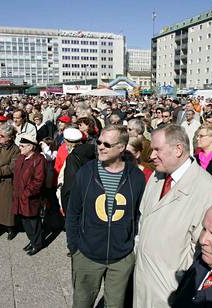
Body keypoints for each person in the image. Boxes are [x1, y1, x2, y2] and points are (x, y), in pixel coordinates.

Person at [133, 124, 212, 308]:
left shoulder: (208, 192)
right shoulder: (157, 176)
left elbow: (206, 254)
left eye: (157, 150)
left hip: (171, 292)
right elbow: (143, 221)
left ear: (178, 150)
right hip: (142, 282)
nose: (151, 156)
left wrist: (179, 282)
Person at [66, 124, 146, 308]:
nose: (100, 147)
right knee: (81, 303)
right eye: (99, 142)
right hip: (86, 255)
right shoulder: (86, 172)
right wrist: (74, 247)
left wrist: (130, 249)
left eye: (107, 144)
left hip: (121, 258)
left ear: (121, 148)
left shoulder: (136, 176)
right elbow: (73, 212)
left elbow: (138, 214)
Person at [11, 134, 46, 256]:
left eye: (22, 146)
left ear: (31, 147)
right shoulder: (21, 157)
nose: (20, 148)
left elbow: (38, 181)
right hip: (19, 196)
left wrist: (26, 193)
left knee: (33, 222)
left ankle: (37, 243)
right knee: (25, 221)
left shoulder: (39, 159)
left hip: (30, 198)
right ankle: (32, 240)